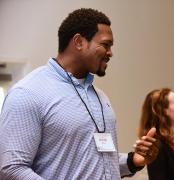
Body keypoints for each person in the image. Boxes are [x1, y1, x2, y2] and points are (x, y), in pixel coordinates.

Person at [0, 8, 158, 179]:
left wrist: (133, 161)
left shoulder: (99, 96)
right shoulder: (29, 93)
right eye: (105, 45)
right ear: (79, 42)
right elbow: (11, 169)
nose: (110, 53)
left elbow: (96, 163)